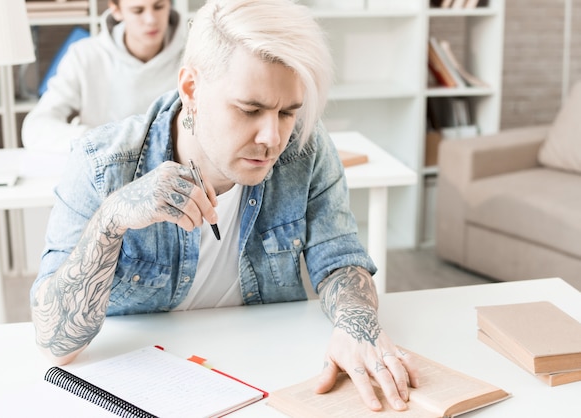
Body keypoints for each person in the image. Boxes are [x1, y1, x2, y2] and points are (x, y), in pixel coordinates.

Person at [30, 0, 419, 411]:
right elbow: (54, 343)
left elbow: (339, 259)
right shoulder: (100, 163)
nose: (272, 137)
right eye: (250, 110)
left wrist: (357, 325)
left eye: (288, 111)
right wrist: (110, 221)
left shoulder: (305, 145)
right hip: (141, 390)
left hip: (266, 379)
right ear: (191, 89)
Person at [21, 0, 184, 153]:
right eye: (137, 10)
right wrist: (99, 140)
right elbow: (35, 129)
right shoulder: (84, 56)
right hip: (102, 171)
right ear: (116, 10)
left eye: (159, 6)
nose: (150, 20)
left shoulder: (191, 56)